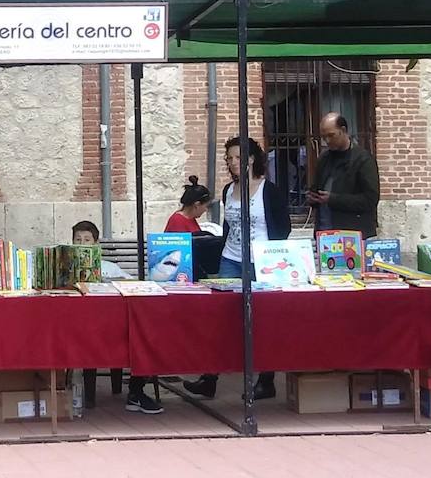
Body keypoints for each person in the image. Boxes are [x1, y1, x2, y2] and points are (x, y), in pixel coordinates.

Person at [183, 136, 290, 401]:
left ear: (251, 159)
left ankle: (266, 379)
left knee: (261, 321)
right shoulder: (228, 191)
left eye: (236, 157)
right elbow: (229, 225)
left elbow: (283, 227)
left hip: (261, 262)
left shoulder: (269, 190)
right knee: (222, 318)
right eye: (228, 158)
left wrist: (270, 254)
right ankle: (210, 377)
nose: (231, 163)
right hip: (231, 258)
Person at [71, 220, 162, 416]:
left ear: (96, 244)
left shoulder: (109, 268)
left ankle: (135, 392)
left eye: (87, 240)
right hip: (81, 328)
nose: (82, 243)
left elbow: (130, 283)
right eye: (78, 240)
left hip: (113, 325)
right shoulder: (67, 268)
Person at [306, 112, 380, 238]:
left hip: (352, 235)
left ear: (343, 130)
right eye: (324, 137)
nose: (327, 141)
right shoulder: (324, 158)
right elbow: (317, 189)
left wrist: (333, 199)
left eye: (331, 135)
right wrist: (313, 198)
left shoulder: (363, 159)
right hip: (324, 233)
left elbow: (370, 200)